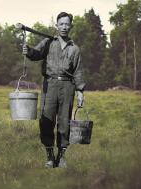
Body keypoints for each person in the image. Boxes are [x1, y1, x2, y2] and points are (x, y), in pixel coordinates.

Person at [22, 12, 85, 168]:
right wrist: (28, 51)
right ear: (56, 25)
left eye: (67, 24)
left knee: (64, 122)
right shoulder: (48, 42)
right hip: (49, 86)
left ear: (70, 26)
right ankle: (50, 157)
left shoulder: (74, 49)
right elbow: (36, 54)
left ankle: (61, 157)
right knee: (46, 120)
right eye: (61, 24)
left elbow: (78, 71)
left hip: (67, 87)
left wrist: (80, 91)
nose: (64, 27)